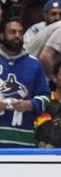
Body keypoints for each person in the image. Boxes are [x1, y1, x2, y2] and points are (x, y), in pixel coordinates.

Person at [0, 18, 50, 148]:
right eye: (12, 32)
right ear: (2, 34)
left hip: (23, 139)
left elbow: (46, 99)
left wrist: (29, 104)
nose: (17, 36)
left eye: (20, 32)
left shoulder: (35, 64)